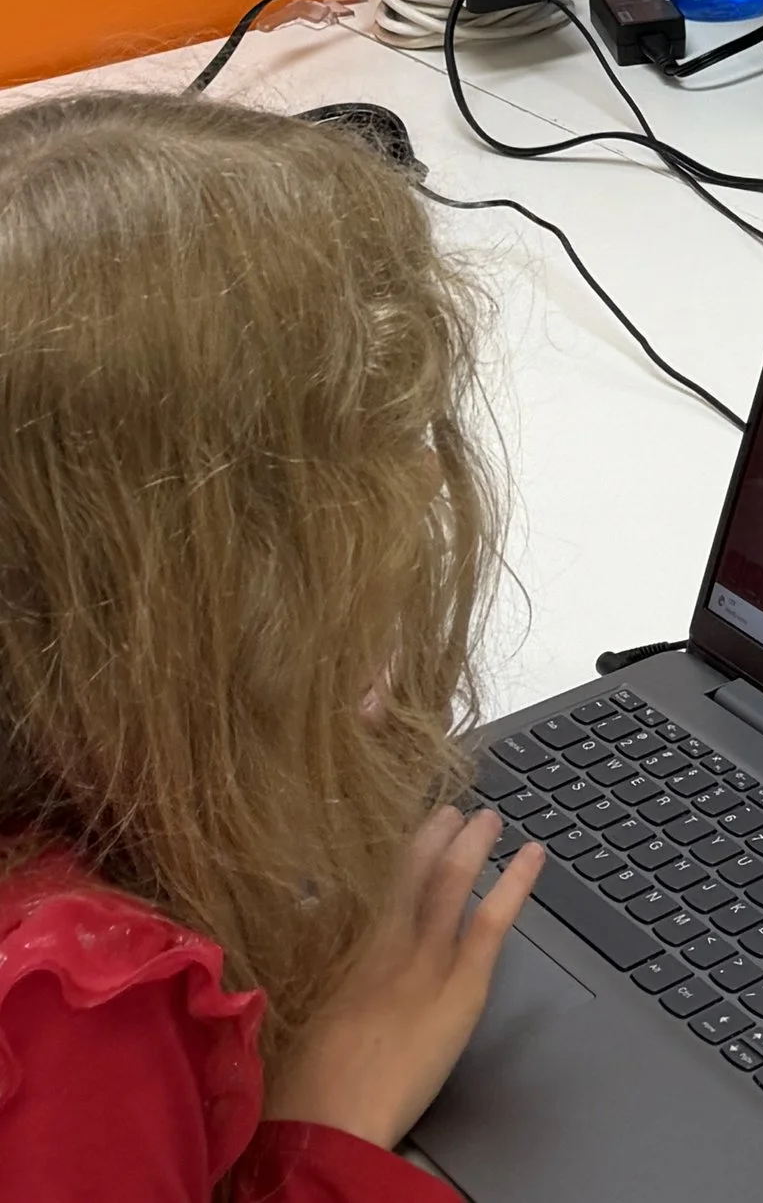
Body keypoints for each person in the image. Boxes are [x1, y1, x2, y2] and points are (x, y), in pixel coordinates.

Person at [0, 95, 542, 1197]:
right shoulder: (72, 1024)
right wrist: (330, 1122)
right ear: (170, 560)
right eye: (367, 451)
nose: (427, 480)